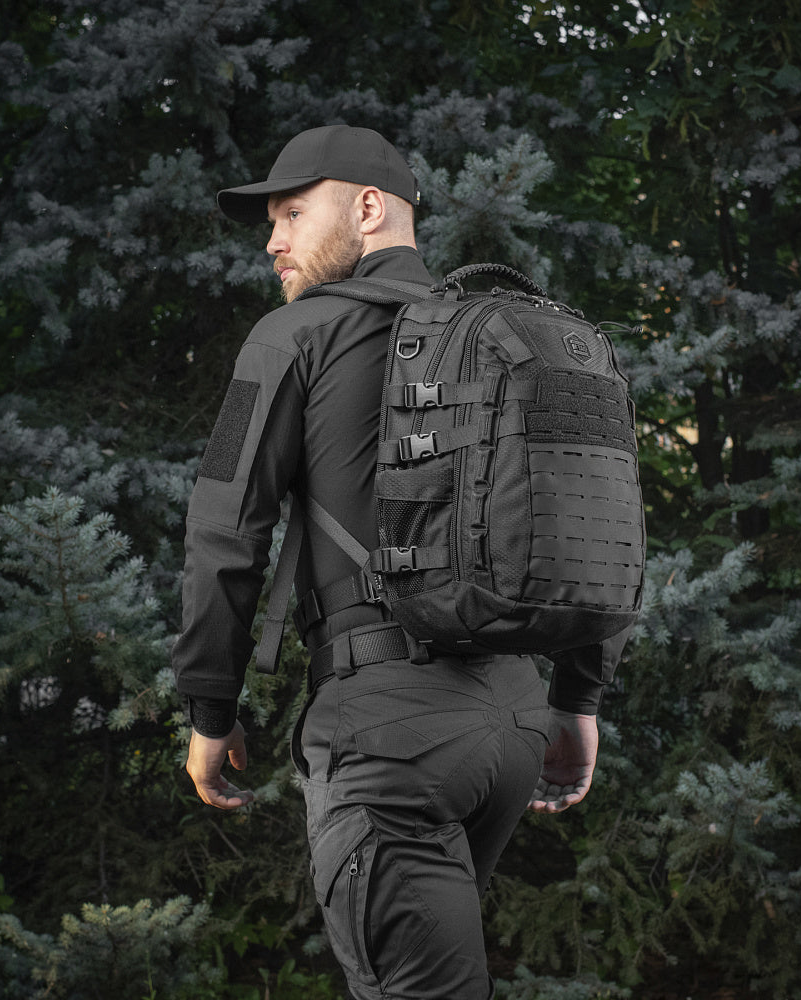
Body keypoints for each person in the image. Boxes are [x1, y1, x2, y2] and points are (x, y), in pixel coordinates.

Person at [172, 124, 626, 1000]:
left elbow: (223, 530)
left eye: (293, 214)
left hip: (388, 736)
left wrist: (209, 709)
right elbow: (589, 514)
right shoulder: (515, 337)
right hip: (512, 722)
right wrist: (578, 700)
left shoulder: (291, 334)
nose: (273, 242)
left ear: (370, 208)